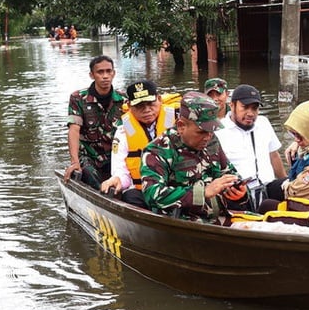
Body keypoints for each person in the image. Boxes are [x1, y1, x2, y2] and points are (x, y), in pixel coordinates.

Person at [140, 91, 245, 222]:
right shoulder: (157, 150)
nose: (208, 137)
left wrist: (236, 189)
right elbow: (152, 195)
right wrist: (202, 193)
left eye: (212, 130)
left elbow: (227, 172)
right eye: (201, 132)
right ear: (181, 126)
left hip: (219, 219)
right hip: (180, 224)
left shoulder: (212, 141)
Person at [214, 84, 287, 205]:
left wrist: (284, 182)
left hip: (267, 187)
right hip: (240, 194)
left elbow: (274, 156)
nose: (250, 113)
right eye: (245, 107)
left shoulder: (263, 123)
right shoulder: (218, 131)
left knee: (294, 187)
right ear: (232, 105)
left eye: (254, 108)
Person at [64, 55, 126, 189]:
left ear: (113, 73)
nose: (105, 76)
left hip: (116, 156)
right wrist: (74, 161)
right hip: (89, 156)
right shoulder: (78, 98)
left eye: (109, 71)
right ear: (92, 75)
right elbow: (74, 130)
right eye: (100, 72)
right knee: (91, 176)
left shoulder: (123, 99)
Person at [99, 79, 162, 207]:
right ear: (129, 106)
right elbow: (121, 171)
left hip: (173, 188)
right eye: (140, 106)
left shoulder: (178, 123)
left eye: (150, 103)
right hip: (143, 190)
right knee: (130, 196)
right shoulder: (123, 132)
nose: (147, 110)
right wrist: (117, 180)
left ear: (159, 99)